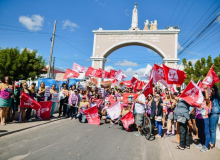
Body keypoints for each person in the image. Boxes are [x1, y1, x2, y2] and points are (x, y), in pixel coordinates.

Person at [195, 85, 211, 152]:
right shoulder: (199, 101)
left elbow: (207, 97)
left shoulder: (207, 101)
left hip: (205, 118)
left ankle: (206, 146)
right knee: (200, 131)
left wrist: (206, 90)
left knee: (206, 132)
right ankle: (202, 144)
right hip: (198, 118)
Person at [209, 84, 220, 149]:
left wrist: (212, 89)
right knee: (211, 129)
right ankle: (211, 141)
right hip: (212, 114)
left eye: (212, 90)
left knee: (212, 129)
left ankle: (212, 143)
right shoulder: (212, 97)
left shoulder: (216, 97)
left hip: (214, 114)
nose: (210, 91)